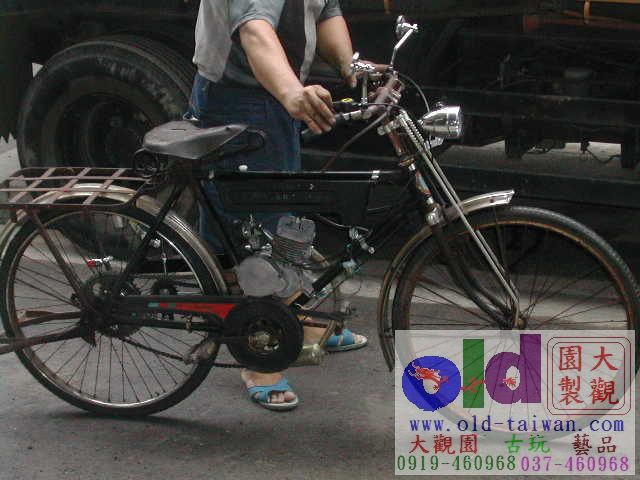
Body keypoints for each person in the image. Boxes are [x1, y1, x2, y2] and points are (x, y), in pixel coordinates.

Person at [186, 0, 368, 411]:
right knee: (253, 232)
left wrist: (351, 66)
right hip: (239, 97)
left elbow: (325, 10)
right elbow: (254, 29)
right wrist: (291, 93)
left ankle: (294, 317)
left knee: (278, 218)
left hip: (273, 93)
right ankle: (258, 356)